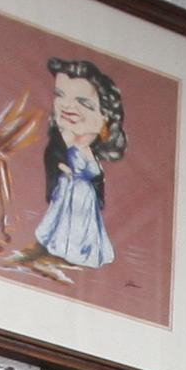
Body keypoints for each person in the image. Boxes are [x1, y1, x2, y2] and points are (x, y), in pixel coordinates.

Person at [34, 56, 128, 269]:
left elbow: (95, 175)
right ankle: (62, 248)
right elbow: (55, 161)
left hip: (85, 199)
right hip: (69, 192)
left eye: (83, 102)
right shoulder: (63, 144)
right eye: (60, 95)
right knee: (66, 223)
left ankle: (80, 253)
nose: (67, 106)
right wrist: (64, 171)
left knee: (83, 227)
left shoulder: (89, 152)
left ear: (105, 117)